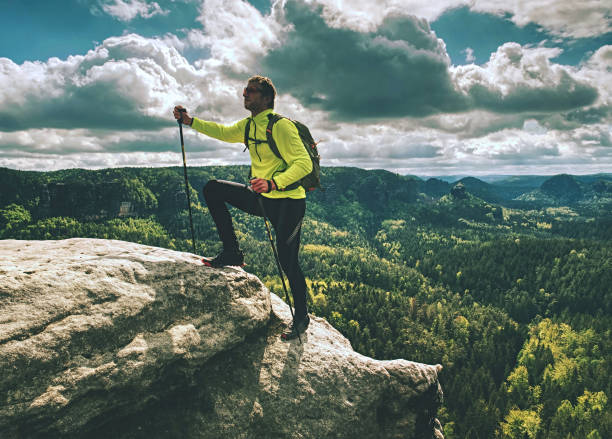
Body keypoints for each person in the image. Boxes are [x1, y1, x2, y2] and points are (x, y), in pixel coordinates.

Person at [173, 75, 312, 341]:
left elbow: (303, 164)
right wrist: (191, 122)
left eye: (251, 91)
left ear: (267, 98)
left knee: (288, 260)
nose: (244, 94)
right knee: (213, 188)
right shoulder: (249, 126)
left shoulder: (280, 126)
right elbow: (223, 132)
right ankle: (232, 252)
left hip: (288, 203)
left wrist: (273, 183)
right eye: (244, 90)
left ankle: (301, 316)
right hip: (263, 197)